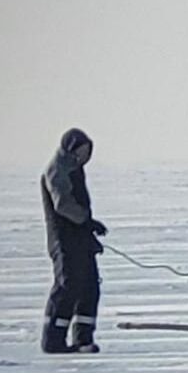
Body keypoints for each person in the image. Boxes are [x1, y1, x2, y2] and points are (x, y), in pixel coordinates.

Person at [41, 128, 107, 353]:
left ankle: (83, 339)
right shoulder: (58, 170)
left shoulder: (75, 170)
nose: (84, 156)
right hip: (64, 240)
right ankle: (53, 340)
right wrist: (85, 220)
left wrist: (90, 226)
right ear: (71, 149)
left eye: (88, 152)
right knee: (68, 286)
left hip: (80, 239)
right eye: (81, 151)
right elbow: (63, 205)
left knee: (89, 287)